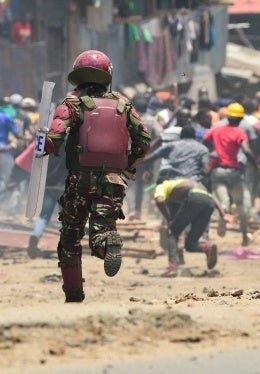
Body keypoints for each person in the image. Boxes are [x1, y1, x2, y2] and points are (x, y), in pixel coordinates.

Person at [43, 50, 151, 302]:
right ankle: (105, 242)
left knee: (70, 235)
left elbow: (54, 139)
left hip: (80, 180)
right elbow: (144, 139)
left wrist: (45, 145)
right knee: (102, 228)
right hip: (113, 180)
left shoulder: (72, 102)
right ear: (107, 75)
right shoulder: (124, 104)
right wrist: (129, 165)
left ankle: (74, 295)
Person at [202, 102, 260, 246]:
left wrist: (209, 156)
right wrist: (257, 167)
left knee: (223, 200)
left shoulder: (216, 129)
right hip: (234, 172)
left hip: (217, 171)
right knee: (241, 205)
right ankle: (244, 236)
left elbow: (203, 143)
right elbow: (247, 150)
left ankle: (223, 215)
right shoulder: (239, 132)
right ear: (240, 119)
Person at [154, 177, 234, 276]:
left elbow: (159, 201)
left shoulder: (162, 185)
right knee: (190, 244)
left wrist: (169, 220)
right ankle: (207, 248)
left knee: (172, 232)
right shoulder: (185, 182)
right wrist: (222, 214)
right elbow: (211, 196)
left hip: (194, 198)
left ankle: (172, 267)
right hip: (209, 203)